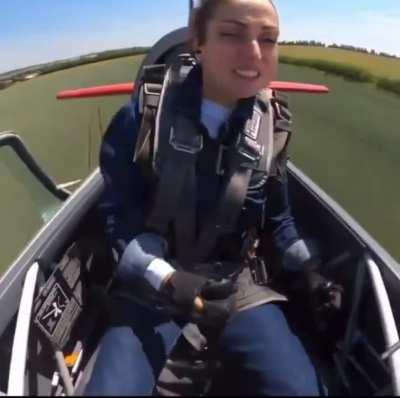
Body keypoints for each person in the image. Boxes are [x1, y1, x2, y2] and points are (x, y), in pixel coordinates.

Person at [85, 0, 321, 395]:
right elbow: (117, 220)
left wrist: (310, 269)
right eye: (232, 34)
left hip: (233, 282)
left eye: (269, 38)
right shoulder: (142, 119)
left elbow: (279, 220)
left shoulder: (272, 129)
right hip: (151, 289)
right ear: (198, 42)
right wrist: (168, 279)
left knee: (300, 391)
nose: (254, 53)